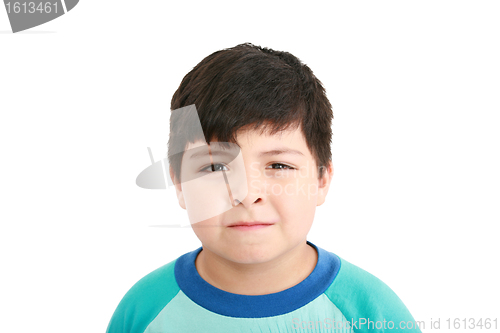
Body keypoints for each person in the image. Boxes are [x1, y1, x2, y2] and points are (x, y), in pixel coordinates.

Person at [106, 43, 421, 333]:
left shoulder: (370, 313)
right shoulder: (143, 312)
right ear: (178, 183)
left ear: (322, 179)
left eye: (278, 165)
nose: (245, 193)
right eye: (215, 167)